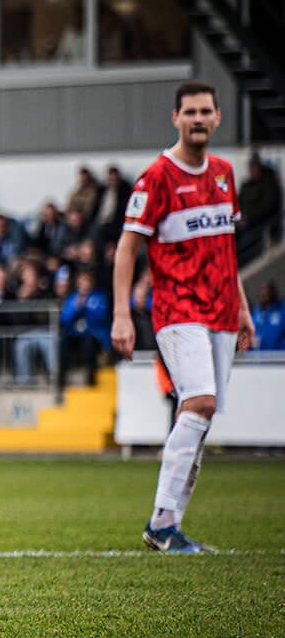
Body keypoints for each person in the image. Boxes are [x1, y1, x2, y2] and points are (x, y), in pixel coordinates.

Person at [112, 81, 253, 553]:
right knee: (200, 405)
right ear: (176, 118)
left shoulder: (224, 174)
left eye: (205, 112)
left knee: (199, 416)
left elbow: (226, 250)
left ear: (217, 118)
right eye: (189, 111)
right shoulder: (156, 178)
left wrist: (245, 310)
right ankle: (161, 524)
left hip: (223, 311)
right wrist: (122, 315)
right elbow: (127, 248)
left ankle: (169, 525)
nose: (197, 119)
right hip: (178, 309)